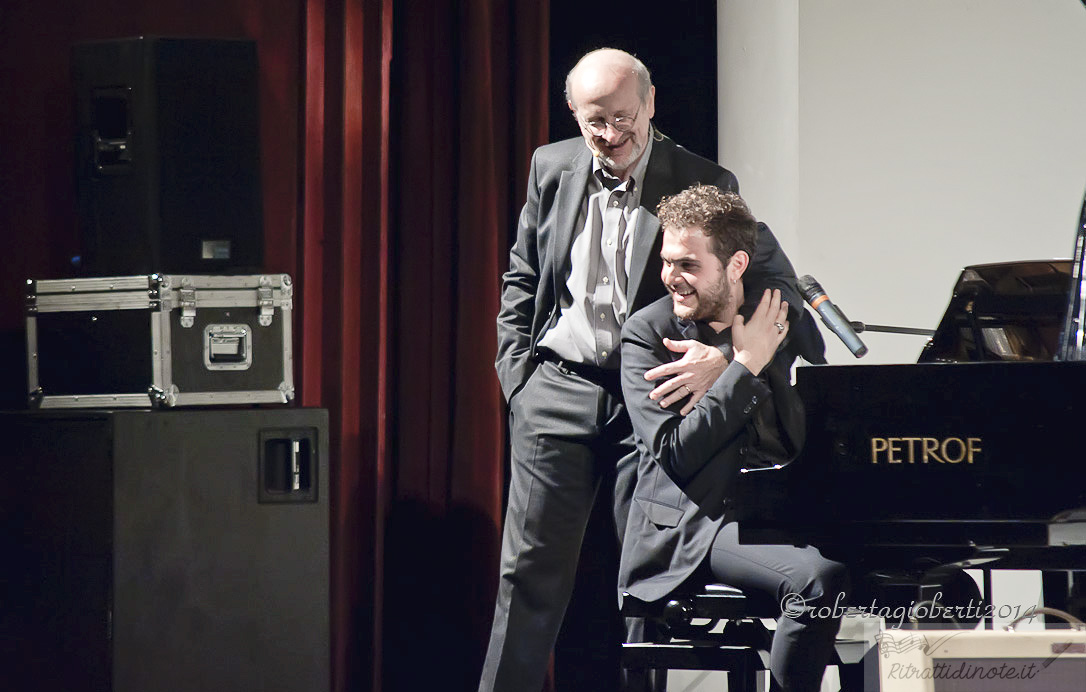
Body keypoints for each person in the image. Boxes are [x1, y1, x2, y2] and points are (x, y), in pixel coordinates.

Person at [481, 48, 805, 692]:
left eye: (623, 118)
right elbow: (523, 277)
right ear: (574, 114)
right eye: (594, 122)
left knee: (645, 580)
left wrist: (730, 358)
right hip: (556, 388)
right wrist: (518, 380)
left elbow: (776, 286)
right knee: (529, 579)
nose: (610, 136)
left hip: (654, 397)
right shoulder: (551, 167)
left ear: (652, 103)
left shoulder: (702, 177)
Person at [619, 185, 848, 692]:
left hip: (779, 506)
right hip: (699, 519)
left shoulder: (771, 315)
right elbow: (678, 454)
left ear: (737, 264)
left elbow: (813, 353)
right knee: (817, 581)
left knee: (915, 568)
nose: (672, 279)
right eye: (666, 262)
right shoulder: (646, 336)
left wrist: (742, 351)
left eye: (688, 266)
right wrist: (744, 365)